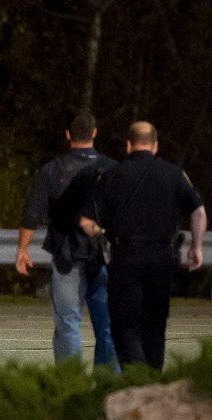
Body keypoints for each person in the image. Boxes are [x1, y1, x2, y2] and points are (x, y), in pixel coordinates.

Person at [80, 121, 207, 370]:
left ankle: (137, 376)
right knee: (155, 325)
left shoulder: (113, 175)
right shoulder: (174, 174)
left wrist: (101, 236)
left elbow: (87, 220)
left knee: (125, 325)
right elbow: (199, 212)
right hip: (162, 257)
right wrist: (196, 247)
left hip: (125, 257)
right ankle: (152, 379)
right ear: (155, 145)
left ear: (128, 145)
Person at [16, 113, 119, 370]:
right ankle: (108, 386)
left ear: (67, 135)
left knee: (68, 324)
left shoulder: (53, 170)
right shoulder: (112, 169)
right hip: (105, 256)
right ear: (94, 133)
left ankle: (70, 384)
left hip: (67, 256)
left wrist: (22, 249)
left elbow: (32, 212)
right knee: (107, 324)